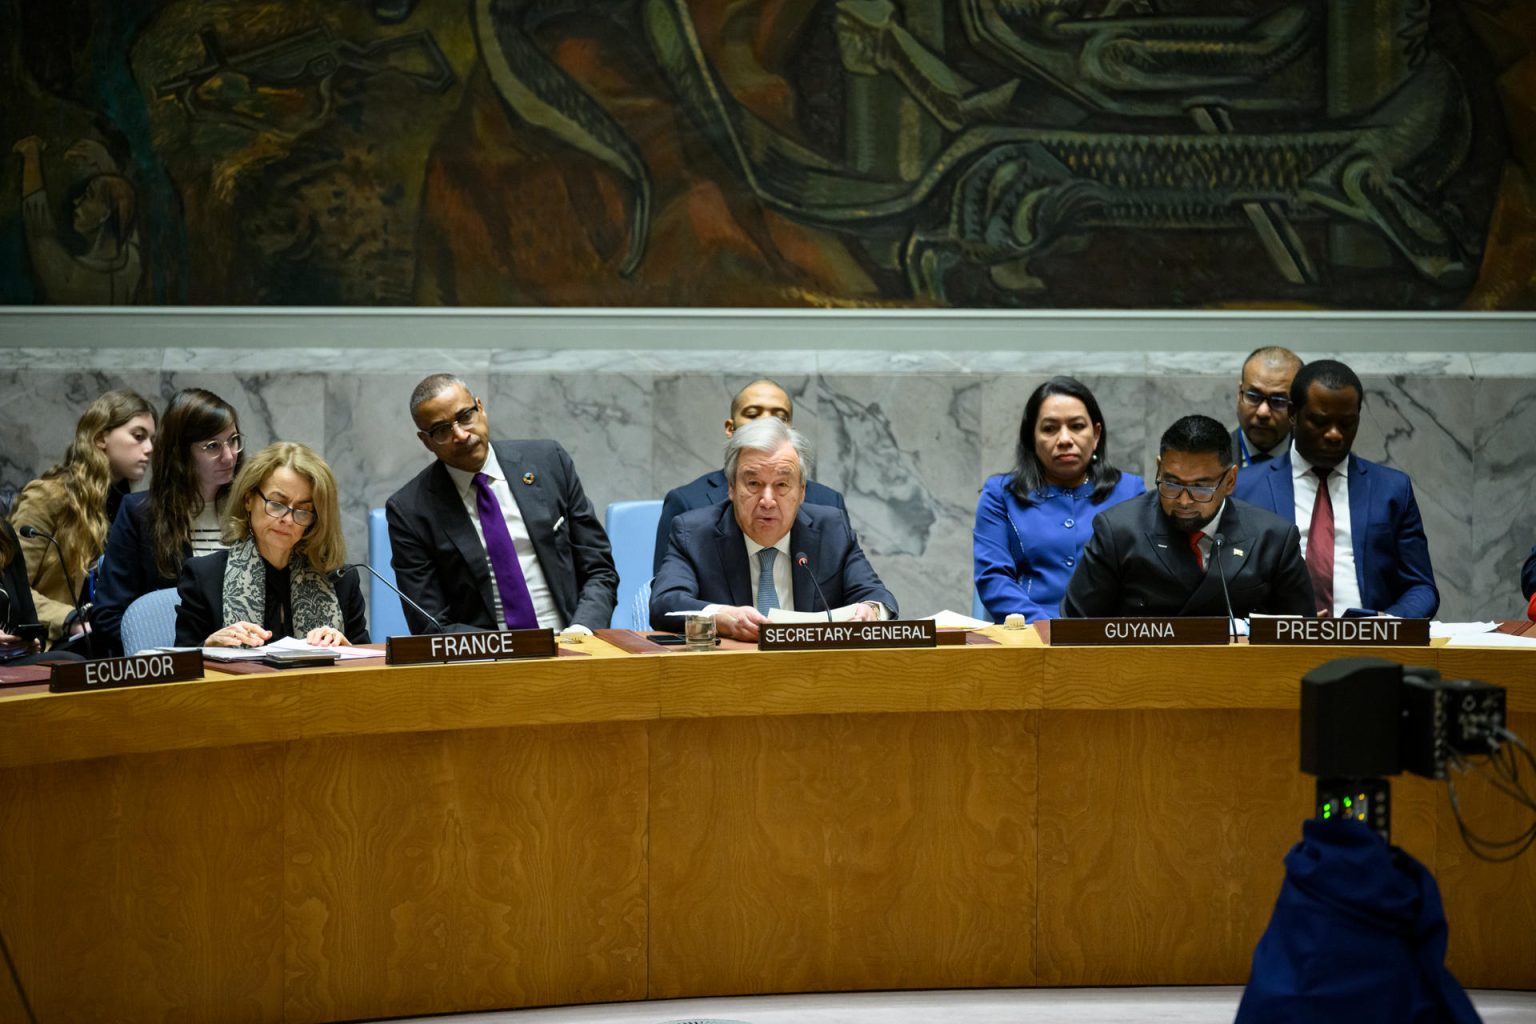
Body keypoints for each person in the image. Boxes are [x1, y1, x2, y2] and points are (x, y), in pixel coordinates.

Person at [385, 374, 617, 634]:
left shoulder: (549, 461)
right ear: (426, 441)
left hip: (574, 643)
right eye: (441, 430)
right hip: (486, 661)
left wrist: (583, 629)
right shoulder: (410, 510)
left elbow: (599, 569)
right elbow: (429, 622)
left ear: (480, 408)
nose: (461, 435)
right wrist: (505, 651)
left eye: (465, 417)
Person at [650, 417, 897, 639]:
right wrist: (721, 617)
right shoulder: (693, 534)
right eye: (754, 483)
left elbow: (878, 596)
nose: (767, 501)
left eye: (782, 485)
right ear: (732, 488)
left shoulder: (831, 530)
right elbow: (665, 604)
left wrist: (871, 612)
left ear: (801, 492)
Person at [1234, 360, 1438, 618]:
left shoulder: (1391, 490)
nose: (1334, 434)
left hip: (1371, 642)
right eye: (1320, 422)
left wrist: (1389, 622)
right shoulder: (1245, 488)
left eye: (1347, 423)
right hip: (1279, 644)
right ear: (1293, 414)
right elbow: (1228, 586)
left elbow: (1421, 587)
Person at [1061, 415, 1314, 618]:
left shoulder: (1273, 538)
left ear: (1230, 480)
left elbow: (1299, 639)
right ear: (1160, 468)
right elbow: (1074, 628)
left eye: (1201, 488)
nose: (1183, 500)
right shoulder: (1118, 532)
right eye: (1171, 483)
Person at [973, 376, 1144, 623]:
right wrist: (1045, 628)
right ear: (1032, 438)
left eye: (1076, 426)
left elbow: (1143, 579)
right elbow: (993, 578)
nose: (1065, 439)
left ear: (1095, 434)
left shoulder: (1129, 491)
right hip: (1028, 635)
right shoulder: (1001, 494)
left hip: (1108, 637)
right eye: (1050, 428)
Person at [95, 388, 243, 653]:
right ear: (181, 453)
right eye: (212, 446)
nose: (229, 455)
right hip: (174, 665)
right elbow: (109, 616)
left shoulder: (250, 509)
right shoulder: (140, 513)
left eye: (233, 440)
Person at [176, 442, 367, 647]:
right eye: (277, 504)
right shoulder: (205, 577)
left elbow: (371, 669)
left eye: (303, 510)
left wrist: (349, 653)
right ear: (248, 499)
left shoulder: (340, 581)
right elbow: (180, 669)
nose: (288, 519)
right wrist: (206, 649)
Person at [8, 389, 156, 646]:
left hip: (115, 640)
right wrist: (69, 619)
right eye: (138, 436)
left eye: (152, 439)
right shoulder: (48, 496)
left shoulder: (133, 508)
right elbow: (12, 592)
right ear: (100, 438)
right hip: (59, 645)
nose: (150, 448)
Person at [653, 378, 846, 574]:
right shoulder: (688, 503)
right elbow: (668, 594)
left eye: (780, 417)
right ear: (730, 428)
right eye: (753, 414)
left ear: (791, 431)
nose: (767, 423)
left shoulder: (828, 503)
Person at [0, 521, 83, 666]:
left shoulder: (4, 535)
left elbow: (30, 621)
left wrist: (34, 643)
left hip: (10, 659)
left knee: (72, 663)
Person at [1232, 346, 1303, 469]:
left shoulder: (1316, 463)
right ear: (1239, 393)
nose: (1263, 412)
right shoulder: (1207, 459)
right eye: (1253, 396)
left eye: (1278, 401)